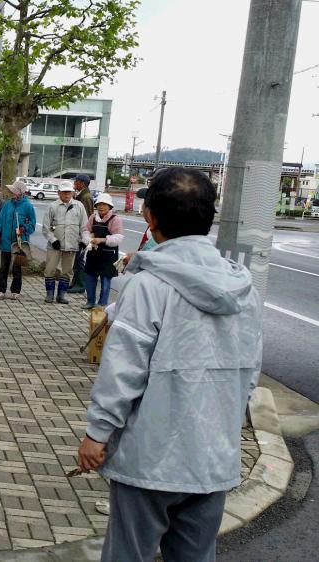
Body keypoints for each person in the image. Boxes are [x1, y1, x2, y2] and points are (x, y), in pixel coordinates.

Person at [77, 167, 262, 562]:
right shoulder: (243, 289)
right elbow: (250, 373)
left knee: (128, 554)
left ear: (150, 217)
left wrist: (97, 434)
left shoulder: (147, 286)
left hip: (150, 455)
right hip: (214, 454)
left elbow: (122, 371)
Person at [42, 184, 88, 304]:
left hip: (72, 244)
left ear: (73, 193)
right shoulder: (52, 206)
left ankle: (61, 295)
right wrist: (53, 240)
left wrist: (84, 241)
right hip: (55, 245)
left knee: (67, 271)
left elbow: (85, 227)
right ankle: (49, 295)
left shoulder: (79, 206)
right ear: (59, 193)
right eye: (64, 192)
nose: (67, 194)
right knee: (50, 269)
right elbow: (46, 228)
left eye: (69, 192)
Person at [0, 181, 36, 300]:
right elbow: (0, 219)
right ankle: (1, 289)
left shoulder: (28, 206)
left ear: (20, 193)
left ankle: (16, 290)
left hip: (19, 243)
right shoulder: (7, 204)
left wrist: (24, 228)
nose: (11, 192)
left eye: (13, 191)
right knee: (4, 267)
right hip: (6, 241)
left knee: (17, 267)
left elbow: (32, 224)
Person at [82, 193, 124, 309]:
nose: (101, 207)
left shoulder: (115, 219)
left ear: (110, 206)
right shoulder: (92, 218)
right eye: (99, 204)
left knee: (106, 279)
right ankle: (90, 301)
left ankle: (102, 303)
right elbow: (85, 231)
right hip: (93, 253)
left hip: (108, 255)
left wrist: (102, 240)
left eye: (104, 205)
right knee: (90, 277)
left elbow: (118, 237)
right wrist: (88, 240)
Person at [67, 174, 95, 294]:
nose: (74, 184)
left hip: (81, 233)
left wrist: (84, 234)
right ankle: (75, 282)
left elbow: (88, 217)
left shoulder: (86, 197)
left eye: (76, 182)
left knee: (79, 260)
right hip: (76, 232)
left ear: (82, 183)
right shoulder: (81, 195)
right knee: (77, 259)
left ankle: (80, 284)